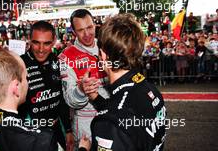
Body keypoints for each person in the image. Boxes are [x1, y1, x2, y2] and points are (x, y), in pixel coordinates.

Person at [86, 13, 166, 151]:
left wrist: (83, 149)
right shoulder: (149, 88)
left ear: (103, 55)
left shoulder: (108, 123)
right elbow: (126, 112)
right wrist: (96, 98)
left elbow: (119, 115)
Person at [19, 20, 74, 151]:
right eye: (36, 42)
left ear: (54, 41)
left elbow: (61, 99)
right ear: (29, 40)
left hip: (56, 129)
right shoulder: (19, 64)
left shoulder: (58, 62)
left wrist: (68, 130)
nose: (41, 49)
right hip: (29, 133)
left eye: (47, 43)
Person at [58, 9, 109, 146]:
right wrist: (81, 89)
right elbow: (69, 99)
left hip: (112, 116)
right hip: (86, 124)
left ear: (95, 25)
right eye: (81, 30)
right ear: (74, 32)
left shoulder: (107, 45)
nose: (87, 34)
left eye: (89, 27)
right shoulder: (66, 57)